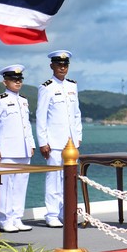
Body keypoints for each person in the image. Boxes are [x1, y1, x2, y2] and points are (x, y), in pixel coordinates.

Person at [0, 65, 36, 233]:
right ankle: (4, 219)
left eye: (19, 79)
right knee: (5, 187)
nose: (17, 82)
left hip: (23, 150)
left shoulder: (24, 101)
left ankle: (16, 218)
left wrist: (31, 144)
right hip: (6, 151)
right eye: (13, 80)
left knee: (21, 186)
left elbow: (26, 125)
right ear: (5, 82)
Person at [36, 50, 82, 228]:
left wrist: (78, 136)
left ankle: (65, 212)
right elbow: (41, 116)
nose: (62, 68)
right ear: (52, 66)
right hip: (54, 142)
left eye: (65, 65)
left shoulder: (72, 86)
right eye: (59, 65)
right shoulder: (46, 87)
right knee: (54, 179)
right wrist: (43, 142)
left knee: (69, 179)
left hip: (71, 142)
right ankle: (52, 214)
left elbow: (76, 113)